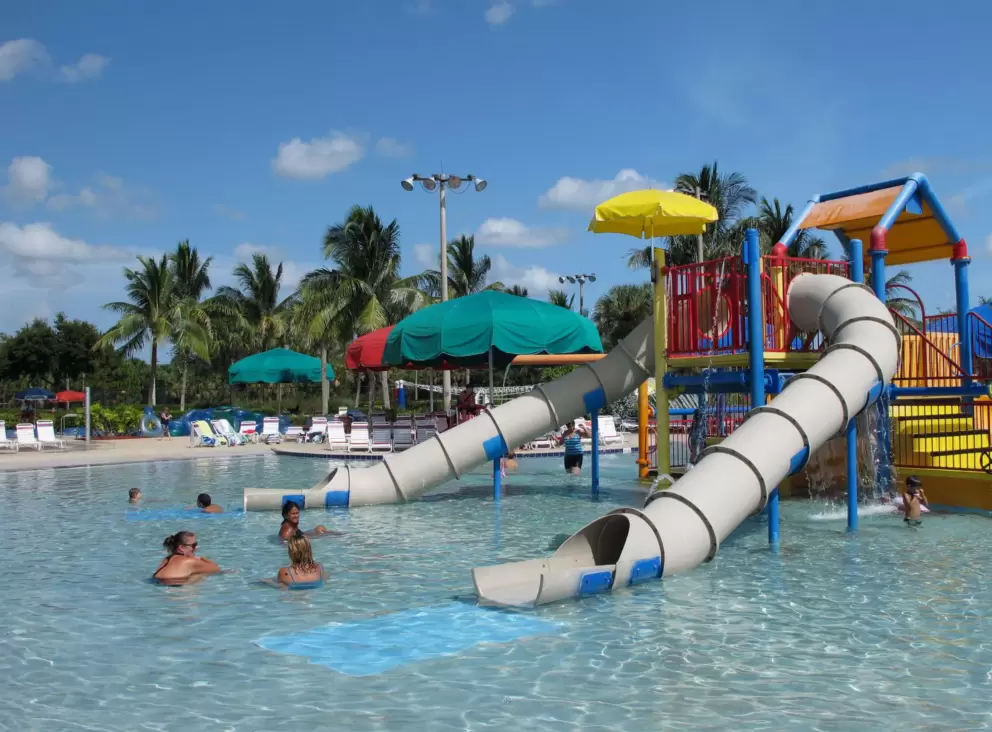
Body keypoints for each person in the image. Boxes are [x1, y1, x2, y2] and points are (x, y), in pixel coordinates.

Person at [152, 531, 221, 585]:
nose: (197, 547)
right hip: (174, 588)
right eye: (194, 545)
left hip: (156, 583)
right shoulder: (189, 562)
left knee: (195, 574)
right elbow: (216, 569)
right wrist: (201, 558)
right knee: (201, 575)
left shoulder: (167, 559)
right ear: (181, 548)